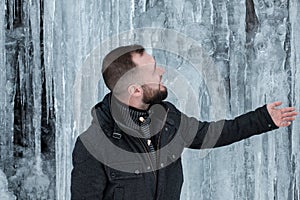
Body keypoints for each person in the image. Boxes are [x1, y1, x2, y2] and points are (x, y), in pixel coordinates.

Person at [71, 44, 298, 200]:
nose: (161, 71)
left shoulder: (166, 116)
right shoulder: (94, 145)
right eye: (152, 70)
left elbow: (213, 133)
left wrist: (263, 119)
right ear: (136, 89)